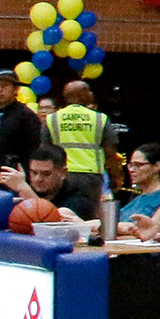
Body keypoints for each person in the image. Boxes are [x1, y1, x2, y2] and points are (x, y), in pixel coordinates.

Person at [48, 78, 105, 218]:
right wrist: (115, 175)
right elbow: (110, 151)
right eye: (88, 91)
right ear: (79, 95)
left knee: (60, 215)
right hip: (90, 176)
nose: (91, 94)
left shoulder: (52, 119)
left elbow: (45, 151)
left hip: (61, 175)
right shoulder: (99, 118)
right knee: (86, 216)